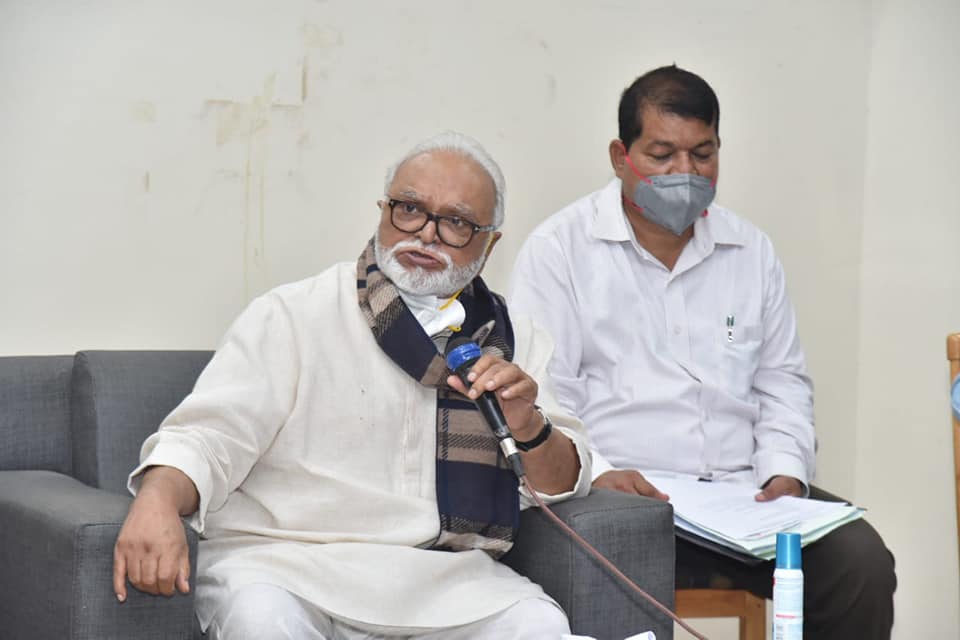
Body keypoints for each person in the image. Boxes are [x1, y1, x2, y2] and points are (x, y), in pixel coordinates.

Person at [113, 131, 592, 640]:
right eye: (410, 209)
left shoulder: (513, 338)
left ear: (490, 242)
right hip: (287, 565)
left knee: (538, 624)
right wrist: (158, 500)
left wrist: (528, 426)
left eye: (455, 222)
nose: (426, 235)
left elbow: (561, 481)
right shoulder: (295, 313)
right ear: (383, 211)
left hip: (446, 582)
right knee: (262, 620)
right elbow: (209, 438)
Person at [508, 65, 896, 639]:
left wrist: (786, 470)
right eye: (662, 154)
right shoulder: (560, 251)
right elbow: (544, 393)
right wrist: (603, 473)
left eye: (703, 153)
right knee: (611, 544)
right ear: (620, 156)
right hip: (621, 496)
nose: (685, 172)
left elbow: (782, 381)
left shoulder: (750, 250)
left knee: (860, 561)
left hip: (742, 497)